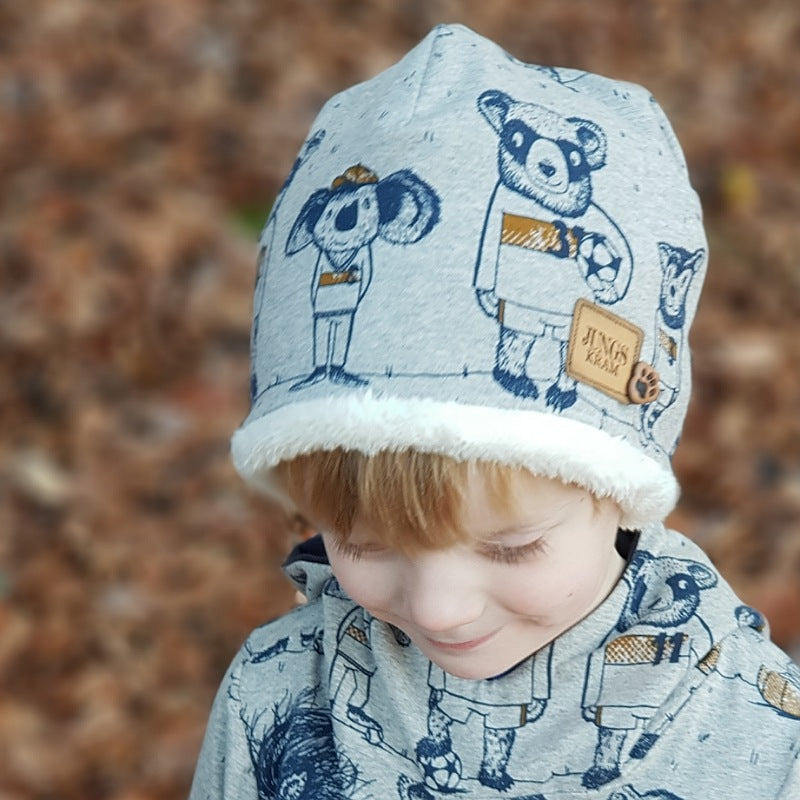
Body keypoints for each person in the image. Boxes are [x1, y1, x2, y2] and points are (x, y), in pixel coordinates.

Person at [189, 24, 800, 800]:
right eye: (365, 541)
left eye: (513, 548)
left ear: (617, 488)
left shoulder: (762, 743)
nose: (440, 609)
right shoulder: (274, 695)